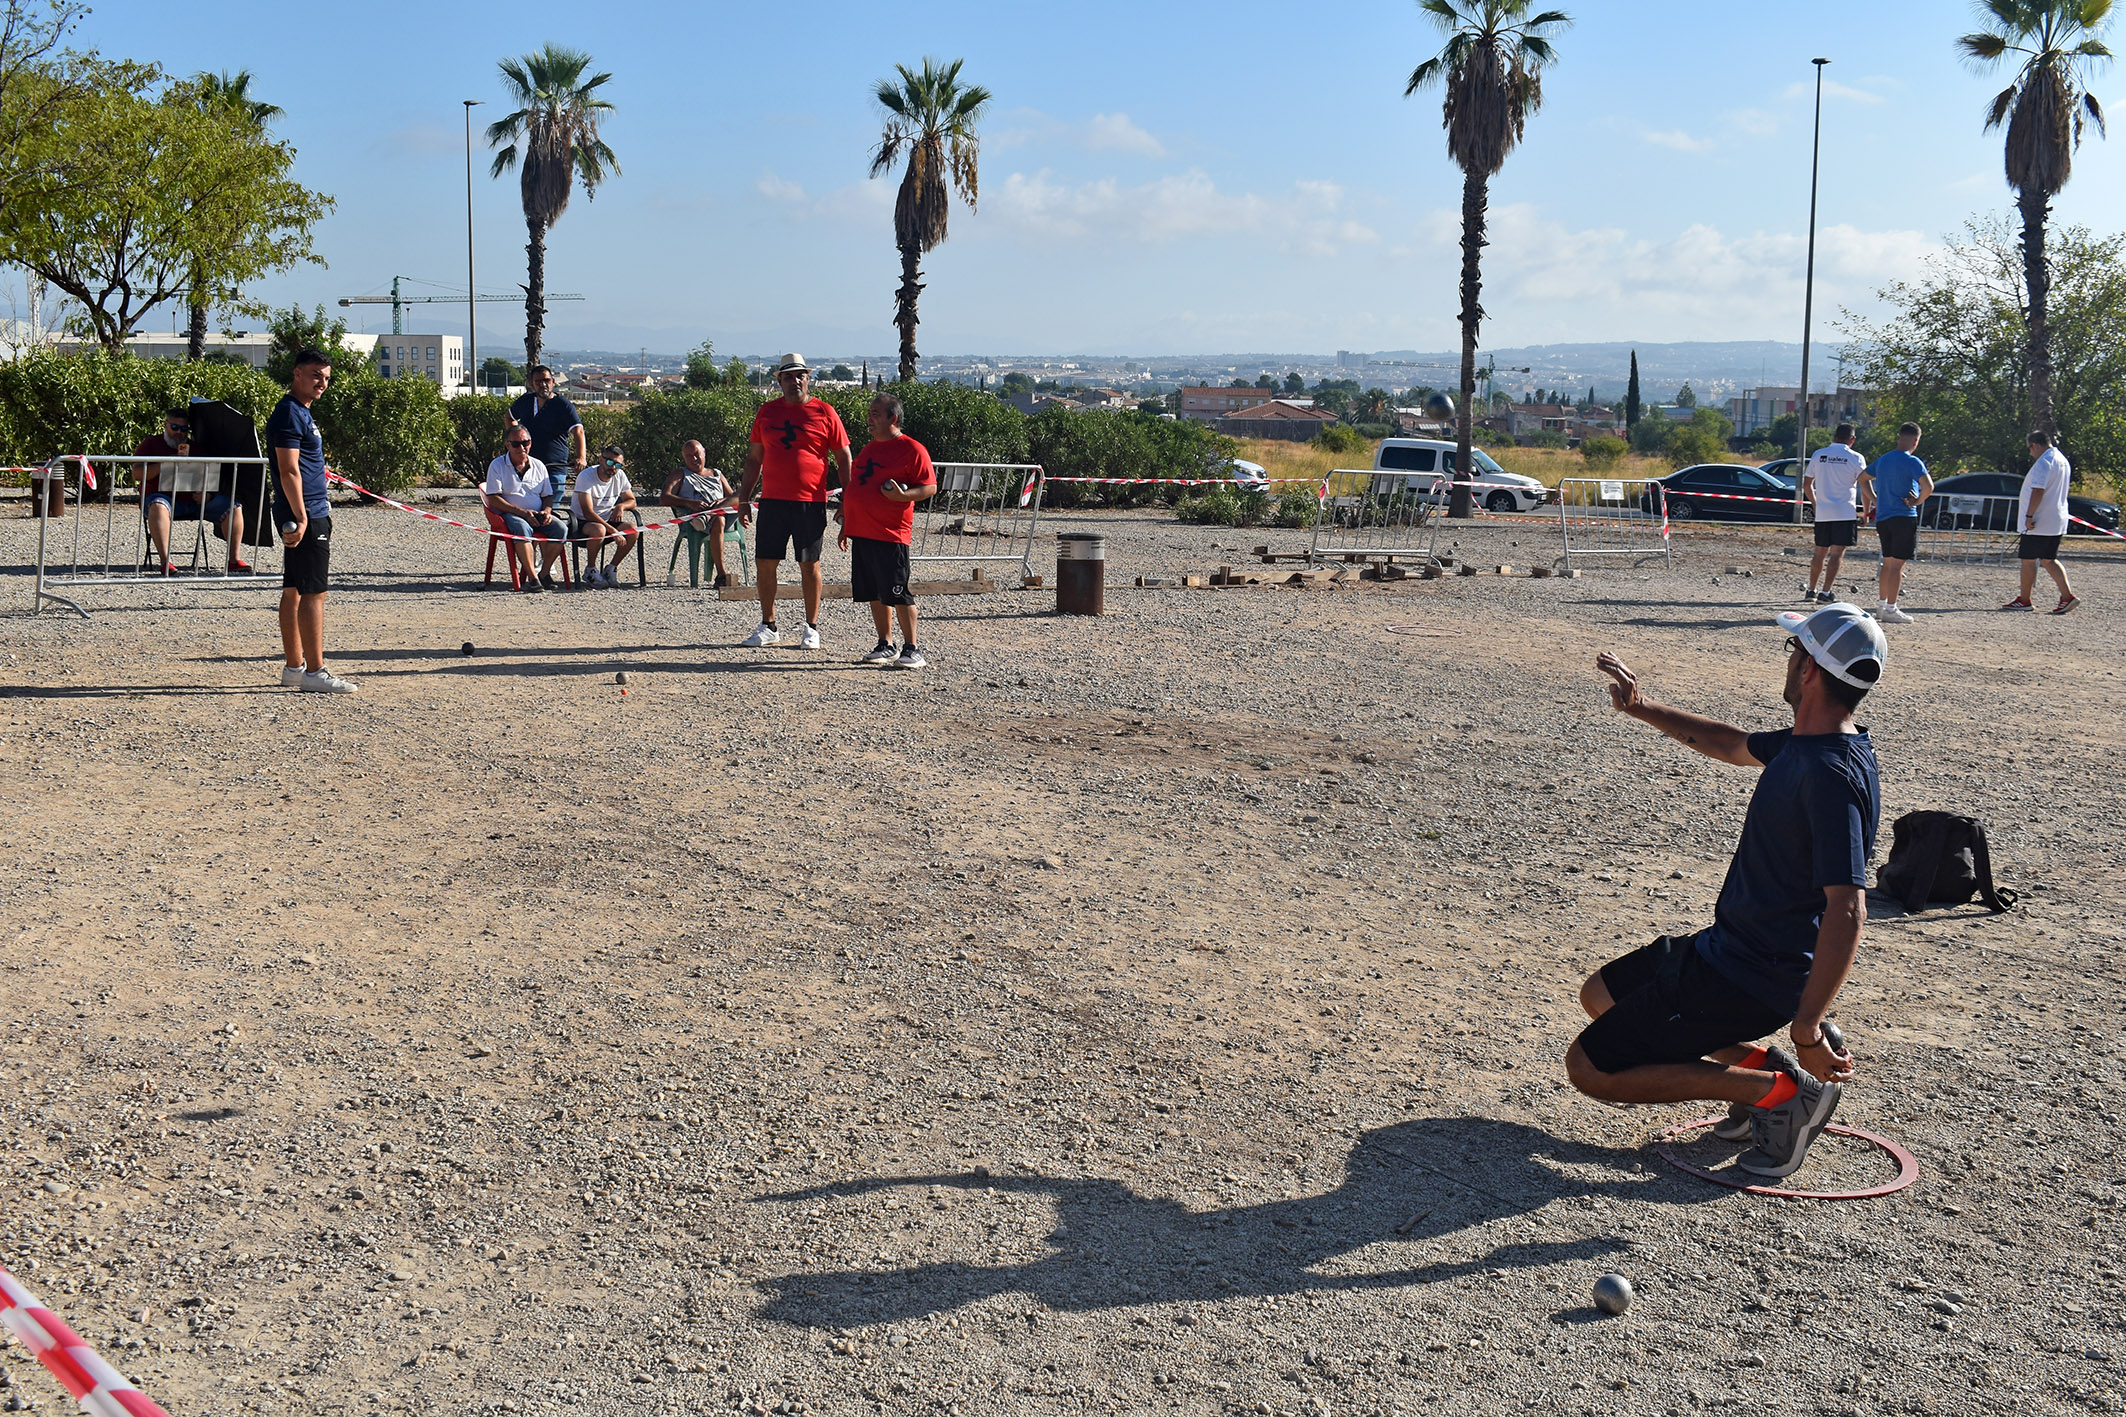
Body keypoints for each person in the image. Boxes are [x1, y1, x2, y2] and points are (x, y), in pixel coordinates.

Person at [1567, 601, 1886, 1179]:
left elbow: (1849, 908)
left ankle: (1783, 1098)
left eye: (1794, 650)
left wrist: (1809, 1026)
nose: (1787, 660)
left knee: (1589, 1067)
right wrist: (1641, 709)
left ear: (1809, 670)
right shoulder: (1806, 743)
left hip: (1753, 975)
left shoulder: (1829, 775)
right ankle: (1764, 1082)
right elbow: (1731, 745)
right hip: (1726, 948)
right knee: (1601, 995)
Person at [736, 353, 851, 649]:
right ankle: (768, 624)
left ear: (808, 379)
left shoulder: (825, 412)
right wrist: (744, 497)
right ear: (780, 381)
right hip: (773, 500)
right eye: (788, 376)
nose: (794, 381)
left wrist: (847, 498)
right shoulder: (767, 412)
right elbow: (753, 458)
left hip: (809, 501)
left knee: (809, 563)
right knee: (765, 561)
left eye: (800, 375)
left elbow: (843, 457)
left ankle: (811, 627)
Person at [269, 349, 355, 693]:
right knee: (314, 592)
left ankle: (294, 667)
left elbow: (301, 464)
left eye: (327, 377)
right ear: (297, 374)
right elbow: (288, 469)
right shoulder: (290, 413)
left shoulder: (301, 413)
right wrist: (303, 516)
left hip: (309, 507)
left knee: (293, 588)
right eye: (316, 375)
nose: (322, 382)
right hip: (306, 512)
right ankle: (315, 672)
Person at [837, 392, 938, 669]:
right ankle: (886, 644)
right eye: (869, 413)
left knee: (898, 592)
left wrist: (903, 497)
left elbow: (929, 487)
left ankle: (912, 648)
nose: (869, 419)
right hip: (863, 532)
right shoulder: (869, 449)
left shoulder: (912, 449)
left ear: (893, 418)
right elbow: (857, 488)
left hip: (891, 534)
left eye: (876, 414)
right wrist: (847, 521)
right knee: (874, 592)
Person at [1859, 422, 1931, 625]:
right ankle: (1891, 607)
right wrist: (1917, 500)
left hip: (1883, 517)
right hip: (1904, 516)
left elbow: (1862, 479)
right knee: (1898, 566)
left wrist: (1875, 499)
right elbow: (1929, 486)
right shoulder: (1913, 461)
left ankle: (1882, 606)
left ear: (1899, 438)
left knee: (1887, 563)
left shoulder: (1883, 460)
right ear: (1916, 441)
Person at [2004, 430, 2081, 614]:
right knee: (2048, 559)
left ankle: (2024, 599)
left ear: (2036, 445)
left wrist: (2029, 516)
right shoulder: (2061, 459)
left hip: (2040, 521)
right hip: (2055, 519)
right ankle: (2067, 596)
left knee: (2028, 560)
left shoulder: (2044, 462)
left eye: (2030, 448)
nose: (2030, 453)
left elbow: (2038, 491)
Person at [482, 427, 564, 592]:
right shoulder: (497, 465)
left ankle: (545, 572)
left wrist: (547, 511)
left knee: (561, 529)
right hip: (511, 514)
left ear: (530, 443)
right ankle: (532, 578)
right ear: (507, 445)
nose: (521, 448)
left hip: (537, 513)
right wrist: (521, 513)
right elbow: (493, 498)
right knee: (521, 527)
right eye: (516, 444)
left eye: (525, 443)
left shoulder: (539, 465)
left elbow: (548, 496)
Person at [1799, 423, 1868, 604]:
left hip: (1823, 511)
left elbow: (1807, 484)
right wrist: (1866, 512)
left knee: (1819, 552)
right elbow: (1864, 485)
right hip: (1844, 512)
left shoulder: (1819, 454)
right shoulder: (1856, 458)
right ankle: (1826, 592)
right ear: (1852, 440)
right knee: (1837, 554)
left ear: (1834, 436)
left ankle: (1811, 590)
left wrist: (1815, 503)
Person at [663, 440, 738, 588]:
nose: (694, 459)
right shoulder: (681, 474)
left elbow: (734, 497)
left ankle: (711, 513)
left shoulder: (716, 473)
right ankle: (722, 575)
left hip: (722, 513)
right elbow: (664, 498)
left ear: (704, 453)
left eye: (696, 454)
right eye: (689, 456)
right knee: (719, 520)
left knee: (729, 505)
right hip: (695, 518)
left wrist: (720, 503)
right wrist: (689, 502)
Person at [509, 365, 586, 504]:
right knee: (528, 507)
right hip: (528, 467)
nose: (543, 385)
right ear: (531, 384)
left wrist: (581, 457)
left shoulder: (562, 405)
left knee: (549, 511)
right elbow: (509, 417)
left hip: (554, 467)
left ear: (553, 382)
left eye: (546, 380)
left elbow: (578, 430)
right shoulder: (525, 401)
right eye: (538, 381)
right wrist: (515, 440)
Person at [132, 409, 195, 575]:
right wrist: (164, 464)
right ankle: (165, 562)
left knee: (232, 505)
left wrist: (207, 493)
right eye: (174, 427)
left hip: (193, 501)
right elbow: (137, 474)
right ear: (165, 425)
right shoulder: (151, 444)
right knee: (158, 505)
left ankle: (233, 561)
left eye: (184, 429)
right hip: (160, 498)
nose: (179, 432)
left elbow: (211, 475)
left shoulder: (196, 446)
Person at [574, 444, 640, 588]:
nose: (613, 467)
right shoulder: (586, 476)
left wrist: (620, 506)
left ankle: (611, 568)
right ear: (601, 460)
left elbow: (632, 500)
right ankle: (590, 569)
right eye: (610, 462)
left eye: (618, 464)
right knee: (599, 530)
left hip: (607, 520)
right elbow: (588, 512)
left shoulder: (620, 476)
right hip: (582, 522)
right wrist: (613, 531)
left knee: (632, 529)